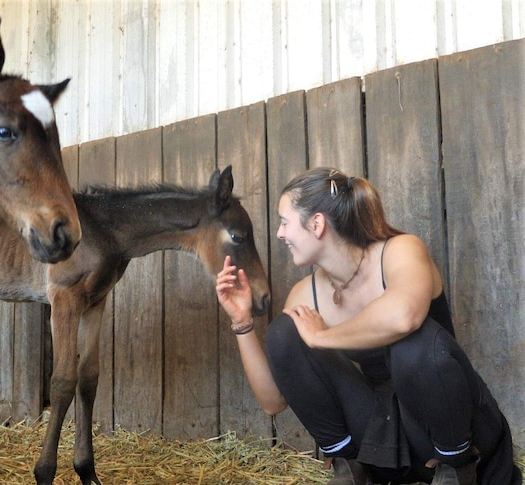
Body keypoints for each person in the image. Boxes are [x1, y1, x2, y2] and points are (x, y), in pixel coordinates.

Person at [216, 167, 521, 485]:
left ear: (317, 224)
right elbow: (273, 401)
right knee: (283, 332)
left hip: (452, 428)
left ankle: (457, 468)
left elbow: (404, 316)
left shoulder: (400, 250)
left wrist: (322, 337)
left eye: (284, 222)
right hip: (384, 441)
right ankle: (351, 469)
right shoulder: (307, 294)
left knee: (411, 342)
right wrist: (242, 322)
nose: (279, 234)